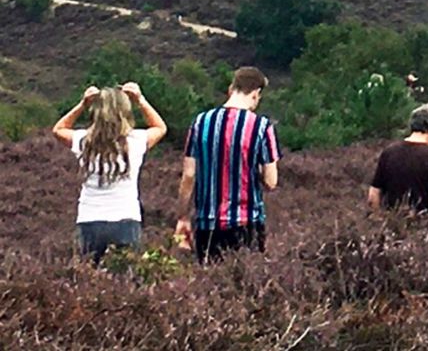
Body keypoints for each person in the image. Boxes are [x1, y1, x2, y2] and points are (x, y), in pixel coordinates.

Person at [52, 83, 167, 264]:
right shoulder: (136, 141)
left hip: (90, 220)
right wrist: (140, 99)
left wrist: (83, 104)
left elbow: (58, 129)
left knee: (89, 281)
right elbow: (160, 127)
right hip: (126, 221)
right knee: (126, 282)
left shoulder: (83, 141)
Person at [176, 67, 280, 262]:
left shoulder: (200, 122)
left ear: (231, 88)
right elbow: (271, 181)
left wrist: (183, 216)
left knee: (209, 284)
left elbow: (189, 175)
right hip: (246, 222)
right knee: (246, 286)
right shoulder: (262, 126)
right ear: (256, 94)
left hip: (207, 224)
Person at [367, 104, 428, 230]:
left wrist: (379, 222)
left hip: (391, 231)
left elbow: (373, 195)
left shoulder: (389, 152)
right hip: (422, 232)